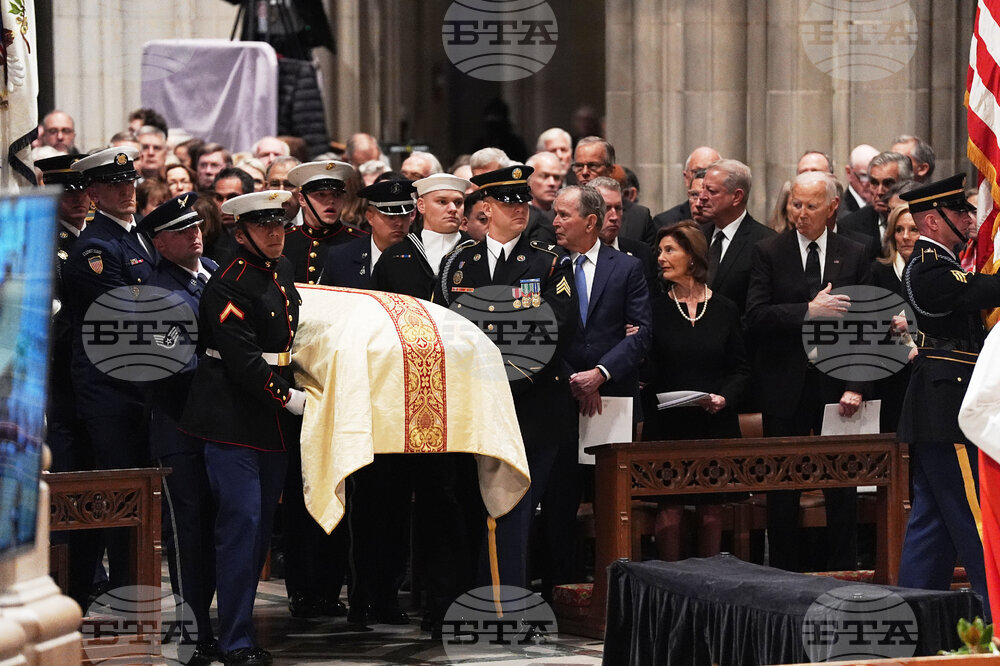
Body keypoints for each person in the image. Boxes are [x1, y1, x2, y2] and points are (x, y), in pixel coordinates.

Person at [433, 165, 576, 591]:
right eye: (509, 202)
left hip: (532, 403)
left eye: (523, 201)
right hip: (475, 404)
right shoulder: (459, 264)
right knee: (469, 505)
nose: (520, 209)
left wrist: (494, 339)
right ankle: (473, 598)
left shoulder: (549, 262)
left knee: (516, 506)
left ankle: (506, 604)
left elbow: (554, 328)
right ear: (487, 207)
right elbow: (447, 328)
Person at [180, 190, 303, 665]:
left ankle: (240, 630)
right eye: (264, 226)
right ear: (241, 232)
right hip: (231, 418)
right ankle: (233, 639)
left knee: (258, 530)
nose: (276, 233)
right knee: (242, 527)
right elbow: (242, 360)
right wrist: (287, 396)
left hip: (270, 422)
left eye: (280, 224)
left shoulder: (282, 269)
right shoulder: (228, 283)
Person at [745, 170, 871, 572]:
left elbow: (867, 324)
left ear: (831, 207)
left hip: (837, 386)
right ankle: (783, 571)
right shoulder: (769, 251)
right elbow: (755, 316)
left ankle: (843, 570)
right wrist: (808, 311)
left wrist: (856, 385)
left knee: (841, 484)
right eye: (795, 204)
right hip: (784, 384)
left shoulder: (855, 252)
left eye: (810, 206)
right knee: (783, 484)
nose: (800, 213)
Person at [896, 173, 1000, 619]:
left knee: (932, 524)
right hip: (949, 408)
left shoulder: (943, 262)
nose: (971, 218)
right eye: (960, 212)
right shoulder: (929, 267)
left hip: (943, 405)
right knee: (975, 517)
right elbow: (985, 290)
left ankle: (915, 615)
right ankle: (996, 610)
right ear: (933, 221)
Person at [63, 146, 158, 608]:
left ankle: (134, 591)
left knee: (143, 500)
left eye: (130, 182)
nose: (127, 191)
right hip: (110, 393)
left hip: (145, 388)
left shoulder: (141, 238)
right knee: (118, 501)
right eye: (115, 185)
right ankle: (119, 597)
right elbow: (129, 312)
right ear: (94, 194)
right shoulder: (94, 248)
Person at [319, 178, 415, 626]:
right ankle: (360, 592)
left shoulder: (420, 259)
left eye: (406, 214)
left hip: (404, 395)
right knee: (360, 496)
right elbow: (324, 317)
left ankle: (388, 594)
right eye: (389, 214)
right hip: (354, 390)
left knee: (396, 498)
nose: (399, 222)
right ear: (370, 215)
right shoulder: (342, 257)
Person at [554, 184, 652, 594]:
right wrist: (575, 378)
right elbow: (540, 332)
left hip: (612, 399)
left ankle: (612, 590)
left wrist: (599, 374)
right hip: (561, 397)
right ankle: (560, 589)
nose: (555, 222)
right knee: (560, 500)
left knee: (609, 501)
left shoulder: (626, 267)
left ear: (590, 221)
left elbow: (641, 332)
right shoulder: (548, 263)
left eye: (564, 215)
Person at [137, 194, 220, 665]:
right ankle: (194, 632)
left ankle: (223, 623)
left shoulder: (214, 271)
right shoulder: (153, 292)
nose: (194, 234)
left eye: (196, 226)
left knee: (222, 527)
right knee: (189, 532)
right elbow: (168, 366)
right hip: (181, 427)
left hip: (226, 426)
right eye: (181, 231)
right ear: (160, 243)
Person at [643, 221, 750, 560]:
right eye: (659, 251)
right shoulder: (653, 309)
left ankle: (710, 582)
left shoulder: (725, 309)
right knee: (670, 508)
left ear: (692, 257)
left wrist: (724, 397)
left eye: (669, 250)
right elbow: (647, 372)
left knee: (711, 509)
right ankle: (669, 581)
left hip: (714, 422)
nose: (660, 257)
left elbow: (741, 369)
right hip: (668, 425)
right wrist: (637, 344)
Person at [698, 159, 775, 315]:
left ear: (737, 197)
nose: (702, 197)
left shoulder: (766, 242)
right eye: (702, 189)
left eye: (711, 191)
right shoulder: (697, 236)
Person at [283, 160, 368, 284]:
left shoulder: (361, 242)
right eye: (321, 195)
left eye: (336, 195)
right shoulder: (284, 241)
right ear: (302, 199)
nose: (331, 201)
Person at [590, 176, 658, 291]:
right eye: (606, 208)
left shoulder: (641, 252)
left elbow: (652, 296)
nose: (614, 217)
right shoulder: (575, 254)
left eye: (618, 208)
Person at [653, 146, 721, 230]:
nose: (704, 177)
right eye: (697, 171)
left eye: (710, 172)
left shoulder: (730, 221)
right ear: (686, 178)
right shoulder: (666, 223)